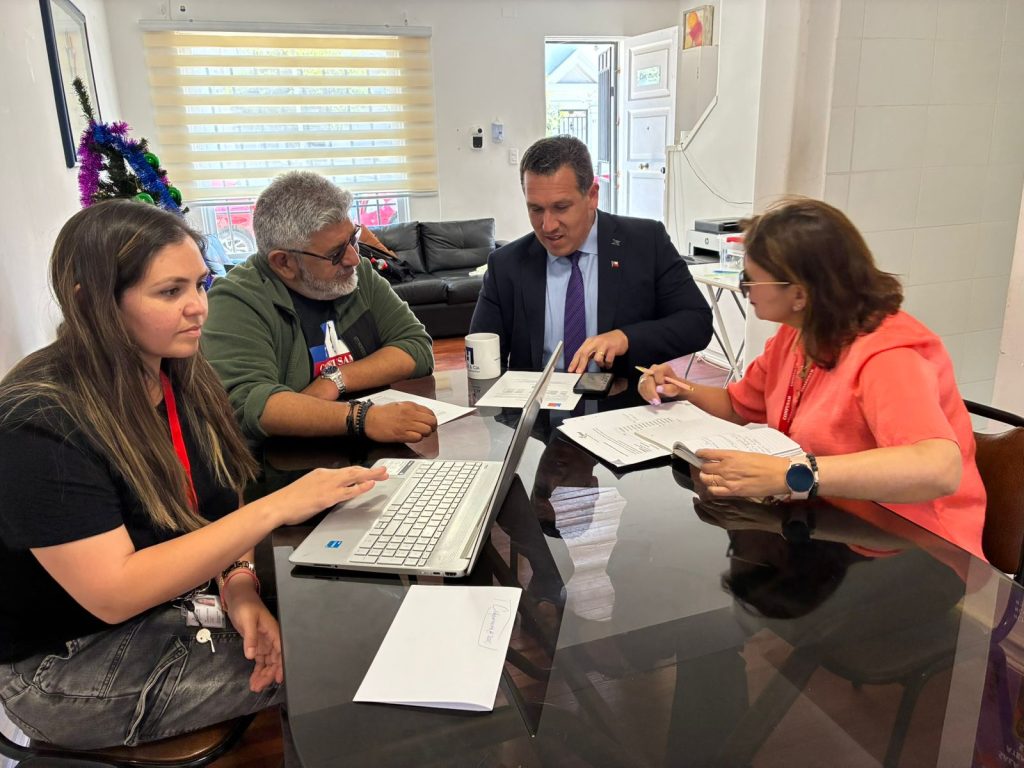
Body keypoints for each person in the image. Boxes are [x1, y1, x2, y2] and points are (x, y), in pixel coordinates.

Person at [0, 200, 387, 749]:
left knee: (360, 616)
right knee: (348, 659)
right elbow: (114, 593)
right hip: (67, 665)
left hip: (176, 604)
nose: (198, 308)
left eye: (201, 285)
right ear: (91, 303)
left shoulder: (176, 370)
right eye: (169, 292)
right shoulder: (37, 422)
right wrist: (276, 507)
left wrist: (240, 586)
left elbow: (221, 500)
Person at [639, 197, 986, 559]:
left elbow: (939, 470)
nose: (745, 289)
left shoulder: (888, 356)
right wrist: (682, 388)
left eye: (750, 280)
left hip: (915, 545)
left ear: (799, 294)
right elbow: (737, 405)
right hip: (833, 523)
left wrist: (792, 474)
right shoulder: (798, 334)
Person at [202, 171, 437, 444]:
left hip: (368, 449)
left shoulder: (357, 274)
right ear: (283, 262)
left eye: (353, 239)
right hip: (286, 461)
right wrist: (362, 418)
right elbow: (249, 404)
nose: (353, 258)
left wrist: (335, 379)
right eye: (335, 253)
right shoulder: (236, 300)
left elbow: (416, 348)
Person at [469, 135, 712, 375]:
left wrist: (626, 338)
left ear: (592, 195)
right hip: (537, 400)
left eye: (561, 207)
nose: (548, 225)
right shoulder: (506, 265)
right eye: (536, 209)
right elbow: (481, 358)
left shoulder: (646, 243)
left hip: (622, 398)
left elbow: (697, 323)